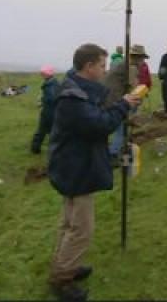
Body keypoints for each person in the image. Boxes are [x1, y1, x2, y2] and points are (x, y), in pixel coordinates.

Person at [47, 43, 140, 301]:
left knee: (69, 223)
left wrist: (120, 103)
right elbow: (98, 125)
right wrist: (123, 106)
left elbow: (95, 116)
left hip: (72, 165)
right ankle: (62, 280)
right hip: (76, 168)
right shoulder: (73, 98)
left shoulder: (75, 90)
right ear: (88, 67)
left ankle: (66, 265)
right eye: (101, 65)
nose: (105, 69)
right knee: (81, 229)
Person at [102, 44, 147, 159]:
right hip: (115, 100)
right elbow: (134, 89)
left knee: (108, 126)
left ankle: (103, 150)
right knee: (121, 128)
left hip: (105, 98)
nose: (143, 62)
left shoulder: (122, 64)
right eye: (142, 58)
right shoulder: (131, 67)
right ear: (139, 57)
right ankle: (113, 154)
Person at [30, 65, 59, 154]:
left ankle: (36, 149)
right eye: (42, 73)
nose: (42, 75)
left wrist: (42, 100)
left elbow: (52, 98)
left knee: (43, 131)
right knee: (50, 132)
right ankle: (40, 149)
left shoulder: (50, 85)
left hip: (48, 112)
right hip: (52, 111)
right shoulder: (53, 82)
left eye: (44, 73)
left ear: (49, 74)